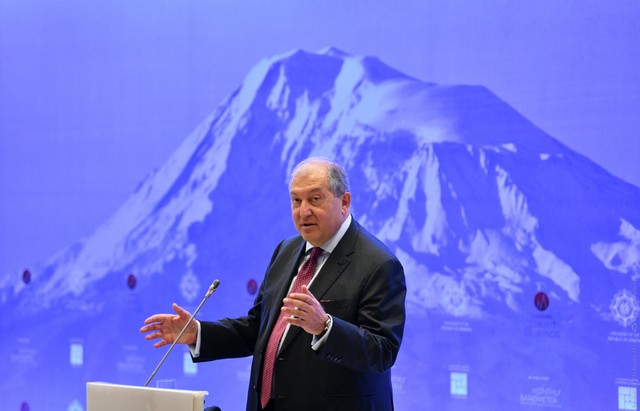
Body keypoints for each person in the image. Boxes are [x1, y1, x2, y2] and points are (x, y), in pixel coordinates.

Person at [140, 157, 406, 411]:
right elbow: (258, 328)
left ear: (344, 202)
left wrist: (325, 327)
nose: (304, 211)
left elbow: (382, 351)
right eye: (296, 200)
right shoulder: (286, 250)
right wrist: (198, 334)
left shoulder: (378, 263)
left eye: (315, 199)